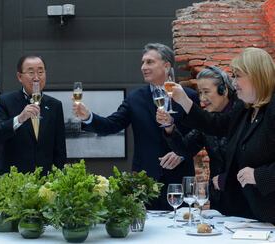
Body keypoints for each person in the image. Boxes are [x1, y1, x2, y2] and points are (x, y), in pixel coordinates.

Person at [73, 43, 199, 210]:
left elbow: (198, 136)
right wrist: (88, 117)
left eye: (149, 62)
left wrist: (182, 154)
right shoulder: (135, 98)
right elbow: (111, 125)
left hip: (179, 180)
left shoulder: (189, 97)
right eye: (142, 62)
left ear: (167, 66)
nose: (143, 67)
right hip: (144, 181)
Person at [158, 47, 275, 222]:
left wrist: (258, 175)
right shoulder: (246, 109)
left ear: (256, 75)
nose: (233, 83)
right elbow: (214, 124)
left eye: (237, 76)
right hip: (251, 215)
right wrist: (184, 101)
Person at [158, 66, 240, 214]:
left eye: (206, 92)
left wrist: (184, 100)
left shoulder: (241, 113)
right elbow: (184, 149)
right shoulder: (205, 120)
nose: (202, 99)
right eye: (200, 93)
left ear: (224, 90)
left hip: (246, 199)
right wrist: (169, 127)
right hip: (219, 200)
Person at [0, 55, 67, 174]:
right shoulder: (4, 101)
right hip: (14, 178)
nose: (36, 78)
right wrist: (19, 119)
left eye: (40, 72)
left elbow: (60, 147)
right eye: (31, 72)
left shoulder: (55, 105)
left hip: (46, 180)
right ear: (19, 77)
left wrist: (60, 176)